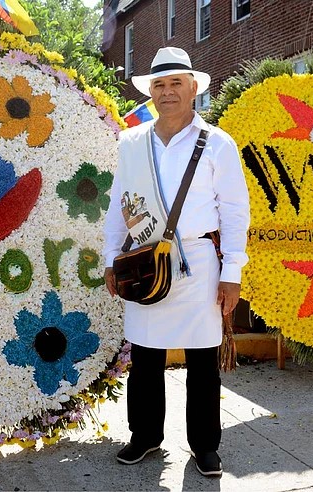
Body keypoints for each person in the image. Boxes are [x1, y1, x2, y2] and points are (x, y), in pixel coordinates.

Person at [102, 47, 250, 477]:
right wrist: (113, 259)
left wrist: (232, 274)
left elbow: (235, 212)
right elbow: (118, 205)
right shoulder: (130, 143)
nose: (167, 92)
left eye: (176, 84)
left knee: (203, 362)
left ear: (193, 89)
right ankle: (145, 437)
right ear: (151, 93)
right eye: (159, 85)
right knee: (144, 358)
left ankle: (205, 446)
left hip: (199, 262)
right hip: (144, 258)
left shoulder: (218, 143)